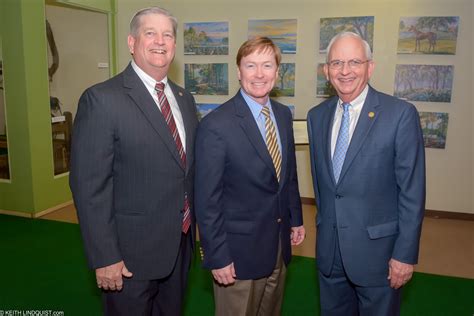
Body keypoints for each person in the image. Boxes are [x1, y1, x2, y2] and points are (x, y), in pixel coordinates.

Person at [69, 7, 198, 316]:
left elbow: (187, 170)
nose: (160, 41)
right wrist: (105, 256)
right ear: (131, 42)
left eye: (167, 35)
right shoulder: (102, 99)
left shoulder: (184, 98)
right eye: (149, 33)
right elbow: (89, 187)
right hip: (129, 258)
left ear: (175, 46)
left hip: (179, 247)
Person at [307, 31, 425, 315]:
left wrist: (404, 255)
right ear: (326, 71)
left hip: (379, 259)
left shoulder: (400, 115)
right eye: (336, 63)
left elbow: (412, 192)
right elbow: (326, 188)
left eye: (354, 62)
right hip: (330, 254)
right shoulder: (317, 116)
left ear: (370, 67)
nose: (345, 71)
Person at [195, 37, 306, 316]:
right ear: (238, 71)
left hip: (278, 247)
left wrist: (295, 218)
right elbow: (207, 200)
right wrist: (217, 256)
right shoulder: (216, 125)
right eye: (251, 65)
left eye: (267, 65)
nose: (259, 74)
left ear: (277, 72)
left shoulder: (282, 115)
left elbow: (287, 173)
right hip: (237, 255)